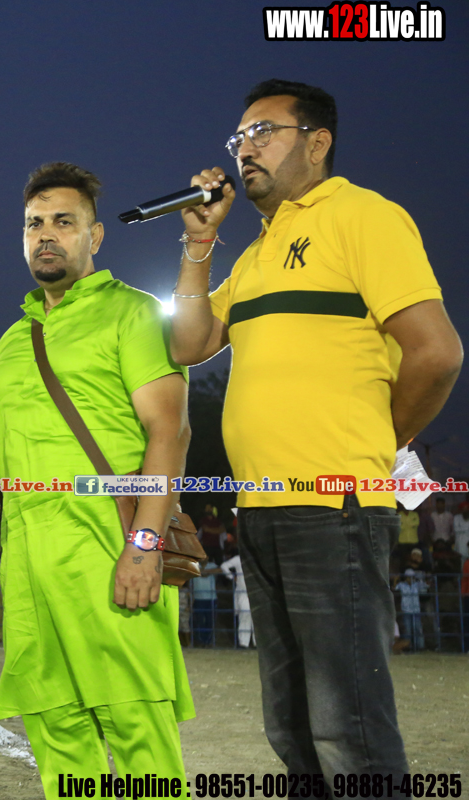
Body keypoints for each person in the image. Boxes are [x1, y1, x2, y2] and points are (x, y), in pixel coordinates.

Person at [168, 79, 462, 778]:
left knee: (347, 730)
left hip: (335, 507)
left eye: (263, 132)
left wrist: (378, 445)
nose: (245, 149)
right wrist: (199, 242)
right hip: (260, 509)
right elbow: (188, 343)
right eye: (239, 138)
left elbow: (437, 353)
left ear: (317, 141)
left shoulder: (363, 216)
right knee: (292, 728)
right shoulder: (256, 253)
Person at [0, 162, 194, 798]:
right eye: (34, 223)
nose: (46, 234)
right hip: (31, 581)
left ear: (95, 236)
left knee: (140, 739)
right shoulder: (12, 341)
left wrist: (144, 546)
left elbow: (169, 433)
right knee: (59, 743)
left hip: (112, 562)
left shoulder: (134, 313)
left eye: (63, 222)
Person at [220, 550, 255, 648]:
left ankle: (256, 643)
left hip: (255, 592)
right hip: (243, 592)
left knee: (256, 616)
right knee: (244, 615)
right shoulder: (238, 559)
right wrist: (232, 577)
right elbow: (224, 566)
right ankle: (244, 643)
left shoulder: (256, 558)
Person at [191, 560, 222, 646]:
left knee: (210, 621)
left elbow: (221, 569)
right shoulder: (193, 564)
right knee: (199, 621)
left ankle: (207, 641)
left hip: (211, 598)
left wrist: (205, 571)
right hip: (198, 597)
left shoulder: (212, 565)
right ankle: (201, 641)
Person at [396, 569, 424, 652]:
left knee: (417, 629)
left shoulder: (417, 585)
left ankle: (420, 647)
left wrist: (420, 579)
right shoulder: (401, 585)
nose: (410, 579)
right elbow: (394, 589)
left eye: (412, 577)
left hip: (416, 610)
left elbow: (424, 588)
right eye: (409, 577)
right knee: (407, 630)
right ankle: (408, 647)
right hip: (406, 610)